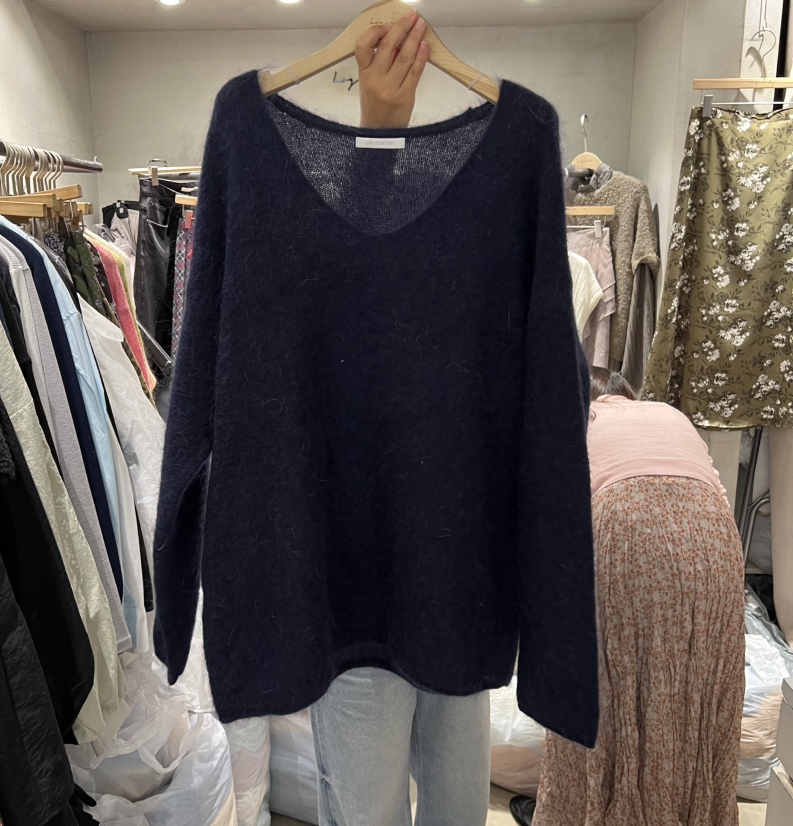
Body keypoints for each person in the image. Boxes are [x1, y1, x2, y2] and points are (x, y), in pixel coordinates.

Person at [308, 12, 492, 826]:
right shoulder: (320, 250)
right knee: (375, 805)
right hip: (366, 602)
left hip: (452, 586)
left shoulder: (479, 245)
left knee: (444, 803)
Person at [530, 368, 745, 826]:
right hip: (716, 538)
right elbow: (717, 494)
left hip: (623, 524)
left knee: (601, 688)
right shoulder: (669, 414)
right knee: (697, 691)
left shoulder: (578, 418)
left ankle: (587, 813)